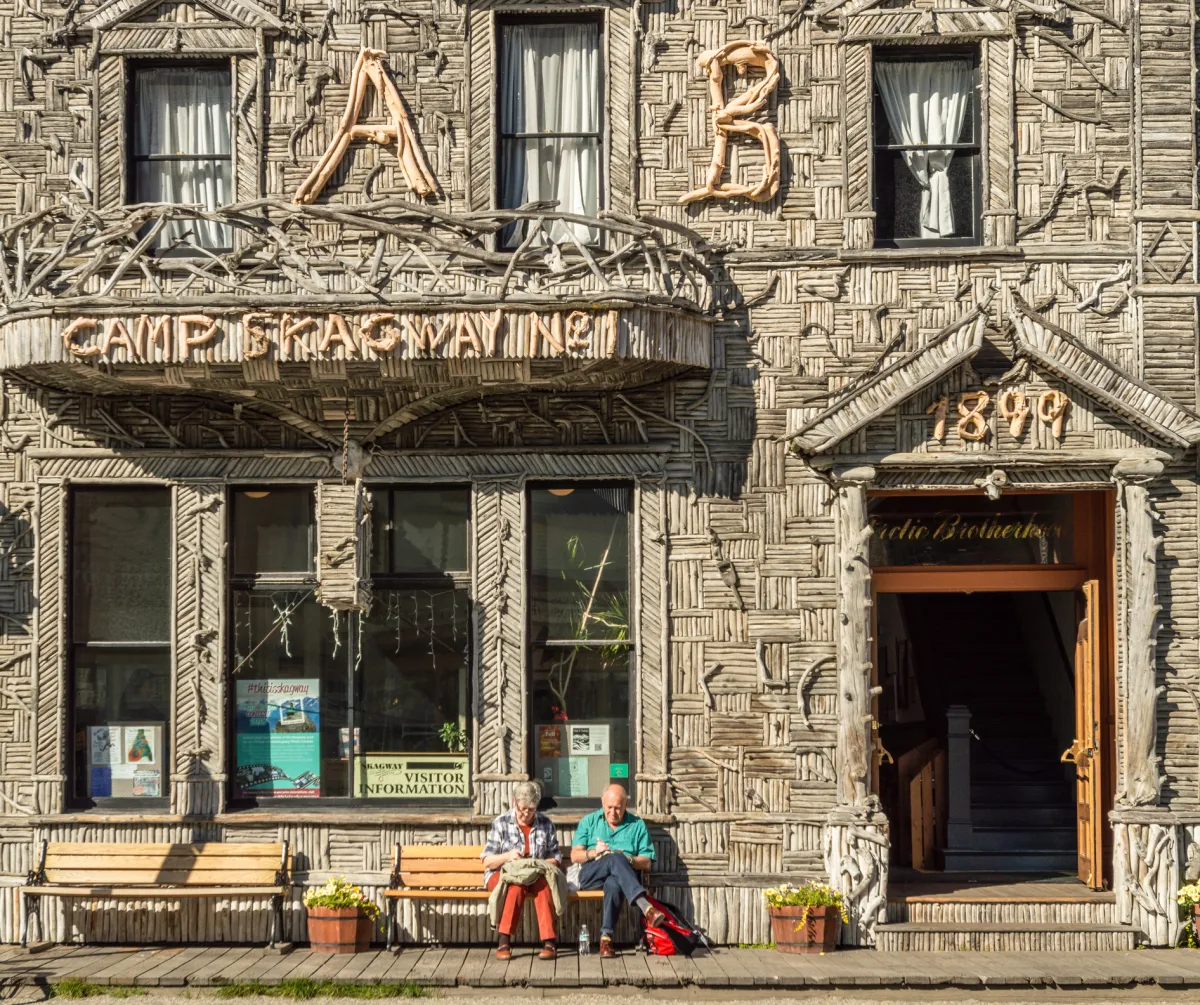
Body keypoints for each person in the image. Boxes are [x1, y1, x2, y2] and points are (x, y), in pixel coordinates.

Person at [571, 783, 664, 957]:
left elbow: (646, 862)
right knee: (613, 858)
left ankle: (606, 939)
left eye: (618, 808)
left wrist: (628, 859)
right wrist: (594, 852)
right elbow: (575, 855)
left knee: (614, 882)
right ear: (602, 802)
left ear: (626, 805)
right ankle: (646, 907)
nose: (613, 813)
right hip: (592, 874)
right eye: (609, 808)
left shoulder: (637, 825)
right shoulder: (589, 821)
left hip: (622, 878)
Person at [481, 780, 562, 960]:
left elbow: (556, 857)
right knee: (517, 886)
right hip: (503, 874)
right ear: (514, 802)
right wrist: (508, 856)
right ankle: (504, 941)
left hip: (534, 873)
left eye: (531, 809)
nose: (526, 814)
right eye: (522, 808)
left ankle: (549, 942)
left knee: (543, 887)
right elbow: (487, 861)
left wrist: (538, 864)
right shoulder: (501, 823)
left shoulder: (545, 823)